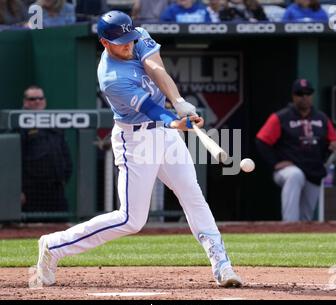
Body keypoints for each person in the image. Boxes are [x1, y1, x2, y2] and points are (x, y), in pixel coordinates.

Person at [36, 10, 242, 288]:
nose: (129, 45)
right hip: (136, 141)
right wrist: (175, 121)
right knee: (132, 220)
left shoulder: (138, 35)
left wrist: (179, 101)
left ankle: (222, 265)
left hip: (165, 136)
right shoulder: (111, 77)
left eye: (130, 38)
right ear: (104, 42)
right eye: (121, 42)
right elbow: (151, 109)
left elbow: (156, 69)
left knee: (192, 194)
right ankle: (53, 246)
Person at [255, 79, 336, 222]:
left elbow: (334, 140)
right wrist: (275, 163)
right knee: (295, 175)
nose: (304, 97)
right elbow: (261, 140)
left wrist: (333, 145)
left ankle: (301, 238)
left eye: (308, 93)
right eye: (300, 93)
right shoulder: (281, 117)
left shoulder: (321, 118)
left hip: (313, 170)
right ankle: (289, 225)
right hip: (289, 169)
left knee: (306, 216)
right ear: (293, 96)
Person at [21, 86, 72, 212]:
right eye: (33, 99)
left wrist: (65, 175)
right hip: (31, 191)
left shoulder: (54, 123)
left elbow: (65, 154)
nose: (37, 101)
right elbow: (14, 161)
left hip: (56, 189)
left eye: (40, 98)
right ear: (25, 102)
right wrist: (19, 190)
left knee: (61, 227)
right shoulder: (20, 124)